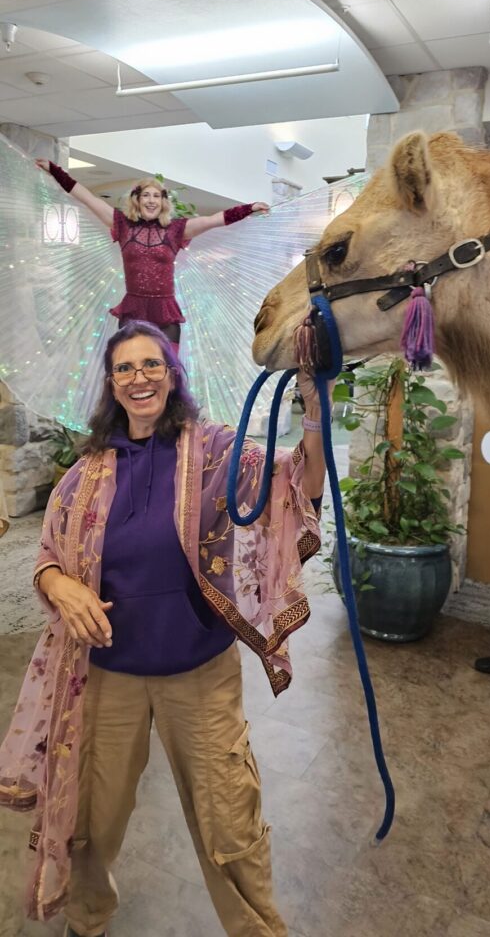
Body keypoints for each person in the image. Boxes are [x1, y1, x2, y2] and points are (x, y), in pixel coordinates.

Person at [0, 320, 330, 937]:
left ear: (173, 375)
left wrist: (314, 404)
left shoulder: (216, 451)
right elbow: (47, 552)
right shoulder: (88, 469)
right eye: (124, 368)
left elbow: (300, 485)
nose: (138, 378)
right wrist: (58, 584)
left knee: (230, 822)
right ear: (111, 384)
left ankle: (258, 929)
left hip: (198, 676)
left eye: (151, 364)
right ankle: (87, 920)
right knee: (91, 824)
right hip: (105, 679)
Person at [36, 161, 269, 351]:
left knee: (169, 375)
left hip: (165, 313)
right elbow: (87, 198)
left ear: (163, 202)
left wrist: (250, 208)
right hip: (133, 311)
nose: (151, 200)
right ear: (137, 200)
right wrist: (55, 170)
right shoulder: (122, 224)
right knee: (127, 372)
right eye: (146, 195)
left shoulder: (177, 229)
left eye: (157, 196)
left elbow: (214, 220)